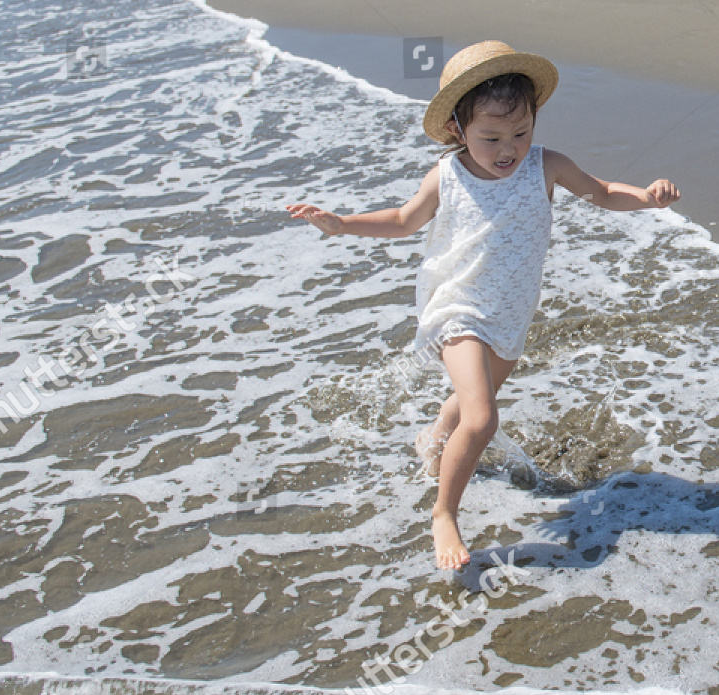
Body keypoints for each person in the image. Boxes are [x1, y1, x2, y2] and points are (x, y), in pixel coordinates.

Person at [287, 41, 680, 570]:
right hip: (457, 307)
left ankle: (433, 440)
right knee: (482, 416)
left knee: (472, 402)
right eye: (490, 137)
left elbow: (603, 191)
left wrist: (647, 197)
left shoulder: (547, 166)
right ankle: (444, 514)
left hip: (510, 312)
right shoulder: (447, 176)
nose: (507, 150)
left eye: (520, 134)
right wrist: (342, 225)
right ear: (457, 129)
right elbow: (404, 220)